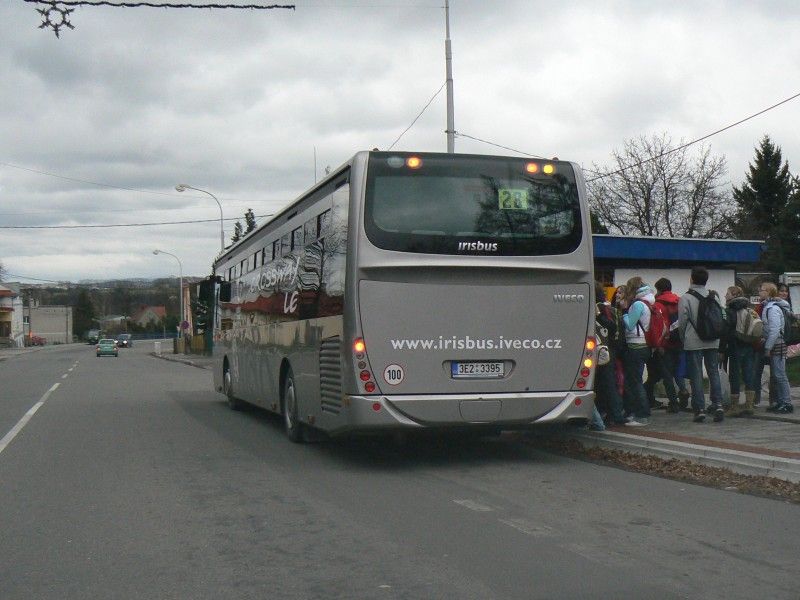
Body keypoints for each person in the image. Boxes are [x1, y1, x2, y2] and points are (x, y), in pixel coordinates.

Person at [678, 266, 724, 423]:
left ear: (691, 279)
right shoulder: (714, 296)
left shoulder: (686, 298)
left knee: (696, 375)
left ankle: (699, 409)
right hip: (713, 339)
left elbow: (682, 321)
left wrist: (683, 339)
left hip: (693, 340)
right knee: (713, 372)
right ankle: (718, 404)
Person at [643, 277, 683, 413]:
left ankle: (673, 402)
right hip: (679, 342)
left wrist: (658, 344)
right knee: (678, 371)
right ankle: (683, 392)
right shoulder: (679, 301)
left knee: (666, 375)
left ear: (659, 289)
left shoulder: (658, 304)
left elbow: (659, 326)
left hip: (665, 345)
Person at [618, 277, 654, 426]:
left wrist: (624, 312)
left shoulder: (638, 304)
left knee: (636, 382)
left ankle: (642, 415)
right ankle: (637, 412)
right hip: (644, 345)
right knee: (636, 381)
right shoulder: (647, 302)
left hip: (636, 345)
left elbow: (630, 324)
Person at [594, 281, 626, 426]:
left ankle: (614, 414)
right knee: (608, 382)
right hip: (611, 349)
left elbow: (610, 327)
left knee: (606, 383)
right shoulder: (611, 308)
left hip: (604, 350)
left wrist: (599, 317)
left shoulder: (600, 309)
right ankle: (609, 412)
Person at [760, 282, 794, 414]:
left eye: (762, 290)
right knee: (776, 375)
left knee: (780, 375)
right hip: (776, 344)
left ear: (768, 292)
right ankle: (780, 401)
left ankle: (786, 402)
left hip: (777, 344)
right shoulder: (769, 307)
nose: (760, 292)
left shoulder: (772, 309)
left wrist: (768, 347)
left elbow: (774, 330)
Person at [723, 286, 757, 416]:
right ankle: (749, 405)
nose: (725, 296)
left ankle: (734, 406)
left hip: (735, 345)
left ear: (733, 295)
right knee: (749, 374)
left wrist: (722, 349)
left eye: (727, 293)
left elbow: (727, 331)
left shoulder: (730, 310)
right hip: (748, 344)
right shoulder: (748, 308)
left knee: (735, 375)